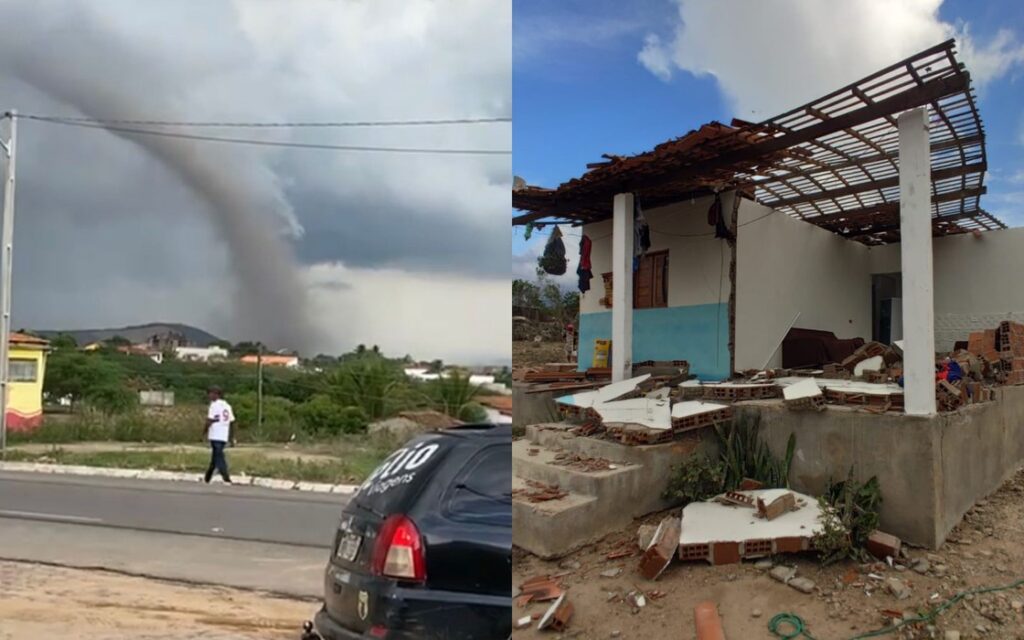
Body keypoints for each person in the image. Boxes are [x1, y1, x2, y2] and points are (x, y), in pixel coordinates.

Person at [203, 386, 234, 484]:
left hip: (215, 434)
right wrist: (231, 437)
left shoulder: (214, 405)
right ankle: (207, 478)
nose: (210, 395)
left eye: (212, 393)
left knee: (219, 457)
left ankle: (226, 477)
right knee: (215, 457)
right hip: (223, 434)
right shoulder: (227, 406)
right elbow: (232, 421)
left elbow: (209, 420)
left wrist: (204, 431)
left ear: (218, 395)